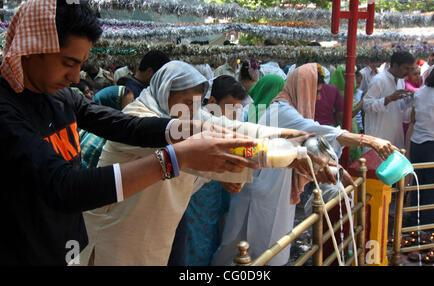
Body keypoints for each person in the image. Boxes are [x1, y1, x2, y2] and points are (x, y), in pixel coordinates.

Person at [0, 0, 262, 266]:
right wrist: (177, 157)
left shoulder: (60, 95)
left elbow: (124, 125)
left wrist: (191, 131)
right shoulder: (7, 111)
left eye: (80, 65)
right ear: (31, 48)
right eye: (68, 63)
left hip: (67, 248)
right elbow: (64, 187)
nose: (75, 77)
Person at [79, 61, 321, 266]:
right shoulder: (139, 119)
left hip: (154, 229)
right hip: (119, 232)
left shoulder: (190, 115)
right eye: (184, 102)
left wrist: (287, 138)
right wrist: (277, 154)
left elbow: (233, 128)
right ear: (164, 93)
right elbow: (202, 148)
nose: (190, 110)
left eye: (195, 103)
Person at [211, 63, 396, 266]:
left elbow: (307, 142)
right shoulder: (281, 110)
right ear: (302, 87)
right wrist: (368, 140)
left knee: (247, 246)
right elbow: (316, 131)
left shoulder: (279, 107)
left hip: (265, 185)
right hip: (267, 190)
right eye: (315, 92)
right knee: (261, 249)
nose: (318, 98)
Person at [182, 75, 249, 266]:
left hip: (213, 202)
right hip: (194, 200)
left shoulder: (227, 126)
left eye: (238, 109)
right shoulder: (195, 126)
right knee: (194, 244)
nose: (235, 116)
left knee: (211, 238)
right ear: (212, 102)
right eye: (230, 109)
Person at [408, 58, 434, 228]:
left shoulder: (420, 92)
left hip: (417, 144)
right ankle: (427, 232)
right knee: (433, 191)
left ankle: (413, 228)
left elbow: (413, 118)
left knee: (418, 187)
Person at [363, 51, 415, 150]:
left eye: (410, 69)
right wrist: (389, 99)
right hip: (379, 136)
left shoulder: (400, 81)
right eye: (406, 68)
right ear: (395, 65)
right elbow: (367, 106)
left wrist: (409, 100)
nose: (408, 72)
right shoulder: (379, 80)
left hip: (395, 135)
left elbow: (399, 109)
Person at [79, 85, 134, 169]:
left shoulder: (83, 125)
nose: (131, 110)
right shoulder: (102, 141)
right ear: (113, 107)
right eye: (128, 106)